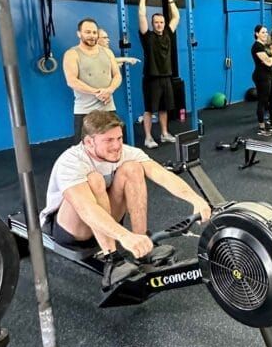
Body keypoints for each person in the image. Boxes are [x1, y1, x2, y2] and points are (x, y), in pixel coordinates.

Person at [40, 110, 210, 256]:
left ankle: (143, 242)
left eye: (119, 138)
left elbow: (163, 175)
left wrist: (196, 199)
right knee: (95, 180)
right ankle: (111, 257)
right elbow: (86, 208)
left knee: (133, 168)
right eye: (109, 140)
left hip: (106, 225)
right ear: (89, 142)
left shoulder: (125, 152)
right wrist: (123, 236)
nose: (117, 146)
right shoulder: (71, 161)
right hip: (73, 231)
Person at [63, 18, 121, 141]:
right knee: (84, 150)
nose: (92, 36)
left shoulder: (107, 52)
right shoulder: (72, 54)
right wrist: (97, 93)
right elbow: (71, 80)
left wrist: (110, 90)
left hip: (108, 109)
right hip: (85, 111)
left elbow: (117, 75)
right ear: (79, 34)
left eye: (94, 32)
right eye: (87, 32)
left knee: (113, 146)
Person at [138, 0, 180, 149]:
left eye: (161, 22)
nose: (159, 25)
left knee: (164, 108)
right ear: (152, 23)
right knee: (149, 110)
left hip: (166, 77)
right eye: (156, 22)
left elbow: (176, 16)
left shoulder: (169, 33)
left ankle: (164, 133)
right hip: (151, 78)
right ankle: (148, 138)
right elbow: (141, 14)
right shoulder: (147, 36)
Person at [251, 25, 272, 135]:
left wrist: (271, 60)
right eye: (263, 32)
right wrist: (271, 60)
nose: (265, 34)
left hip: (269, 74)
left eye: (266, 32)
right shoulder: (257, 46)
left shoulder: (266, 46)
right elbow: (268, 62)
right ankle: (261, 127)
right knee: (263, 101)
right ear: (257, 33)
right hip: (261, 75)